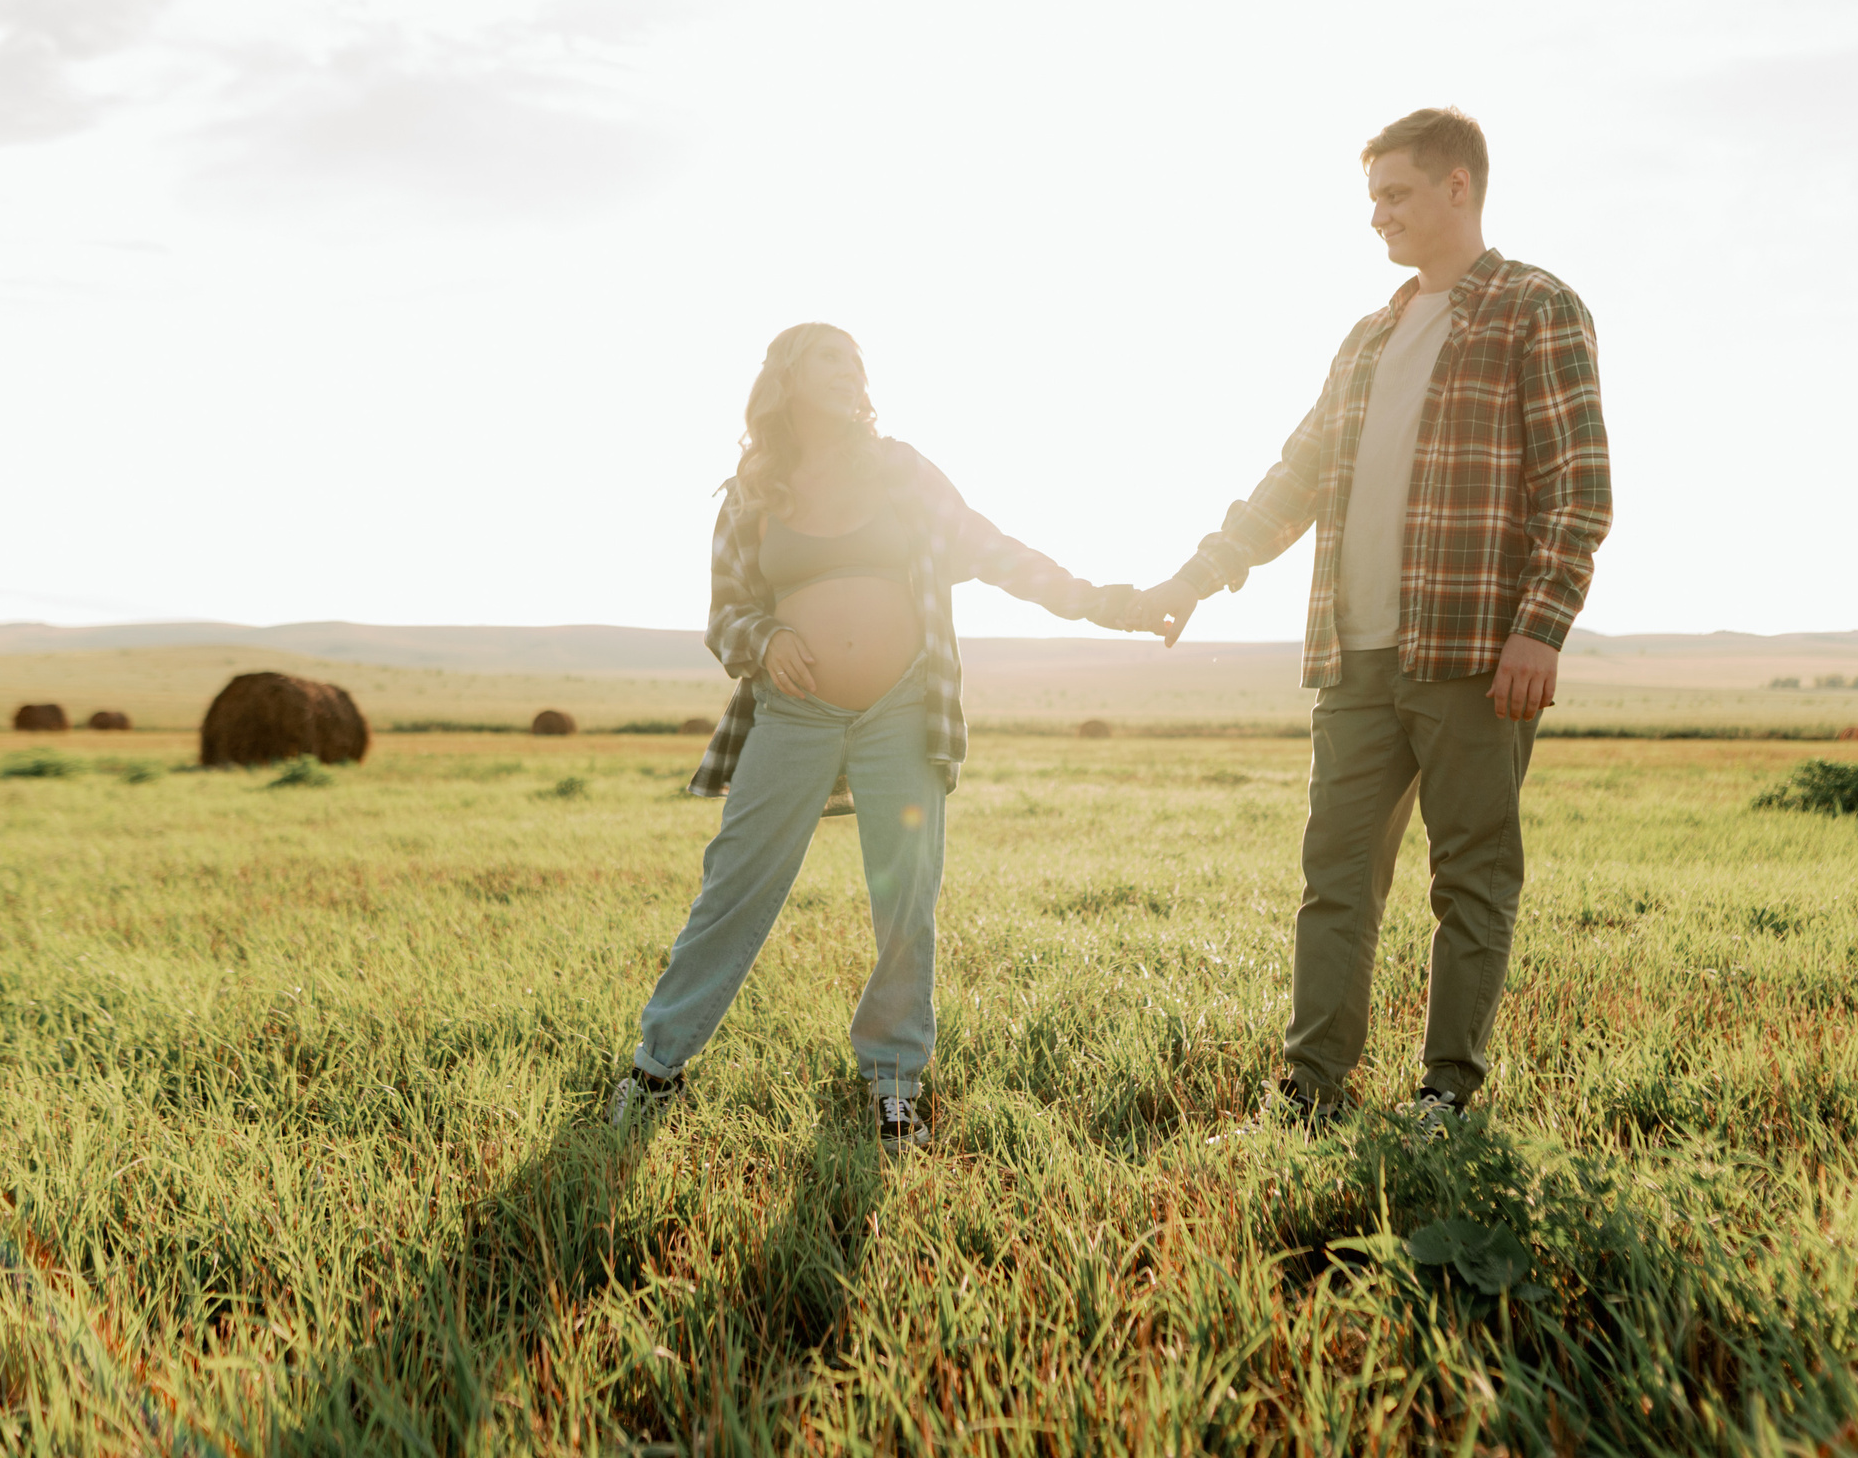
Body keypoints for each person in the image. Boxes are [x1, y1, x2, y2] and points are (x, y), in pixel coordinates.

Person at [1123, 106, 1611, 1129]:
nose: (1378, 217)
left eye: (1395, 194)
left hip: (1474, 655)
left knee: (1469, 882)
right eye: (1372, 198)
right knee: (1334, 882)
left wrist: (1541, 626)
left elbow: (1578, 485)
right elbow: (1291, 479)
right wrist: (1195, 577)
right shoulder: (1367, 337)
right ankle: (1309, 1091)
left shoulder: (1535, 308)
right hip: (1354, 660)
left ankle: (1445, 1092)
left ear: (1457, 188)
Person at [613, 323, 1133, 1151]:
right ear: (785, 378)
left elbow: (992, 551)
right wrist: (766, 639)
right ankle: (656, 1065)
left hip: (903, 707)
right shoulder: (752, 493)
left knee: (905, 901)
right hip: (794, 712)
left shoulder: (901, 471)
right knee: (733, 887)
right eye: (828, 355)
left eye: (855, 358)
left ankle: (895, 1081)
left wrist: (1103, 602)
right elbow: (724, 617)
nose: (848, 368)